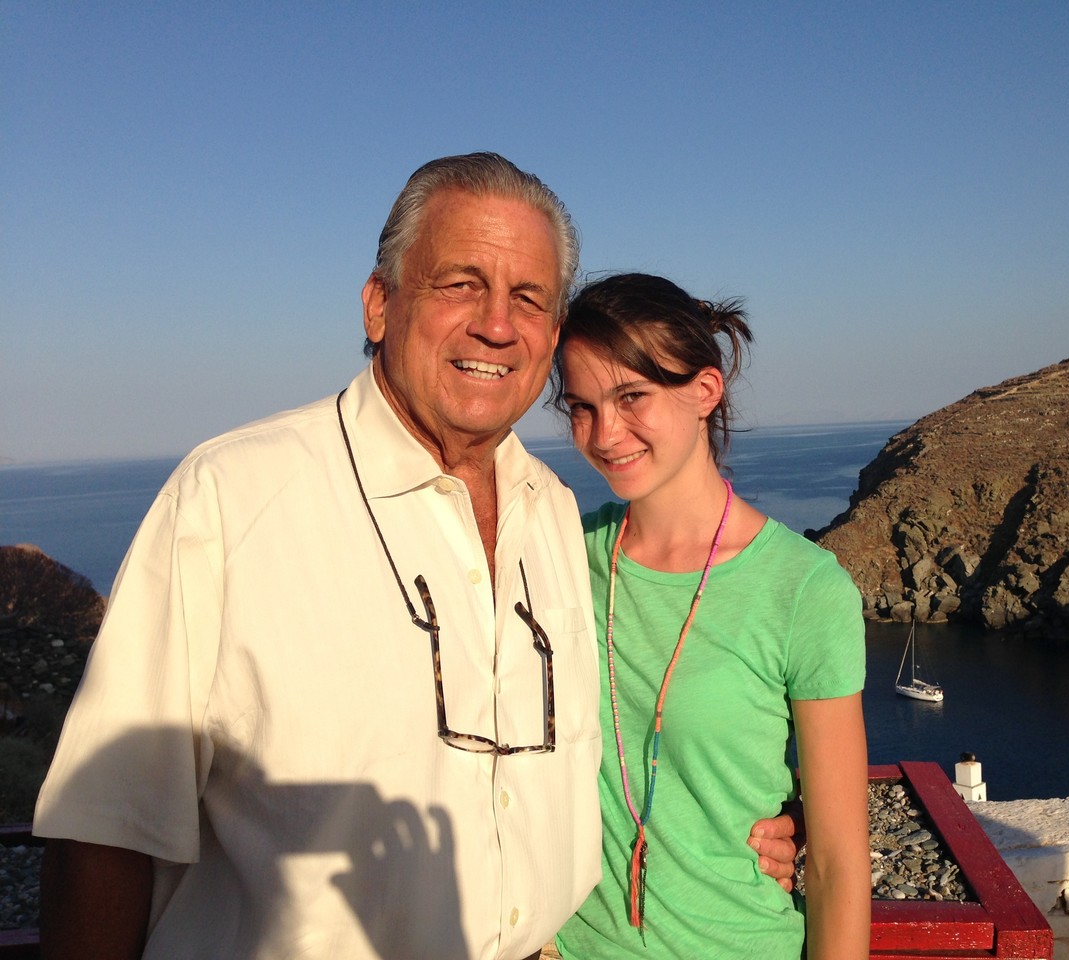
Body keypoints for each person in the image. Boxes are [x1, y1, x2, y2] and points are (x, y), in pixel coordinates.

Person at [33, 154, 798, 960]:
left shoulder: (557, 516)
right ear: (379, 304)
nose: (497, 324)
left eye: (528, 298)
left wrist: (780, 818)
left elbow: (640, 725)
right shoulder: (231, 500)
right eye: (461, 284)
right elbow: (105, 831)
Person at [549, 274, 871, 960]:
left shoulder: (802, 590)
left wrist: (801, 822)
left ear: (705, 390)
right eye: (581, 406)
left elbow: (841, 862)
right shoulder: (559, 557)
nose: (605, 434)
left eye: (631, 396)